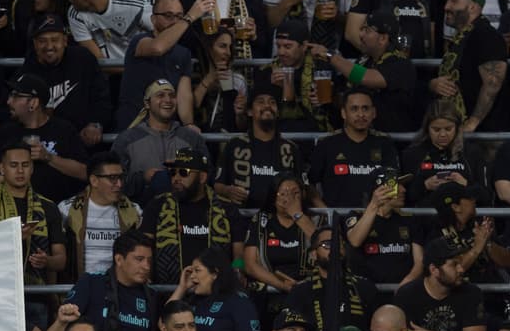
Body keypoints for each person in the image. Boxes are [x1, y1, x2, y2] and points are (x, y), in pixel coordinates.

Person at [138, 148, 242, 285]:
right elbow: (144, 246)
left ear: (202, 177)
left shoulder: (227, 209)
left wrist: (238, 269)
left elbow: (239, 255)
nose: (176, 178)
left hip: (215, 290)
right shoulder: (157, 205)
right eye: (172, 173)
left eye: (184, 172)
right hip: (168, 291)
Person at [0, 143, 66, 285]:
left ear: (32, 168)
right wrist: (12, 239)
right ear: (2, 168)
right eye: (13, 165)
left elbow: (61, 260)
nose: (20, 171)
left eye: (25, 165)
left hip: (37, 291)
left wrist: (47, 261)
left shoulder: (48, 207)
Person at [310, 8, 419, 134]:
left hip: (392, 139)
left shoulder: (400, 63)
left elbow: (365, 78)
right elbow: (349, 97)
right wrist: (331, 95)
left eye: (367, 30)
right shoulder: (364, 60)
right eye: (361, 29)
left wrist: (330, 55)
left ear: (383, 38)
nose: (361, 35)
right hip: (361, 136)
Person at [64, 230, 158, 331]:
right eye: (139, 259)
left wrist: (181, 289)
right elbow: (64, 326)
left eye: (149, 260)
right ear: (119, 259)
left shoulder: (151, 296)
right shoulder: (91, 284)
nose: (146, 266)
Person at [117, 0, 211, 130]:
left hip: (166, 129)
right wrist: (189, 17)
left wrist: (188, 124)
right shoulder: (139, 41)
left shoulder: (183, 53)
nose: (175, 21)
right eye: (168, 15)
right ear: (153, 19)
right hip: (135, 127)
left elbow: (183, 96)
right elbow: (158, 48)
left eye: (179, 16)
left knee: (193, 140)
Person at [429, 0, 510, 134]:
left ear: (472, 7)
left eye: (454, 1)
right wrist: (434, 84)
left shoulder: (486, 35)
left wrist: (473, 122)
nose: (446, 7)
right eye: (447, 1)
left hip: (484, 134)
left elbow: (493, 84)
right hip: (460, 129)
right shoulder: (460, 39)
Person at [0, 72, 87, 203]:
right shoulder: (6, 132)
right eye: (10, 95)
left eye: (15, 96)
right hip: (16, 207)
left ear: (34, 103)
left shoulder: (64, 129)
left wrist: (48, 157)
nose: (8, 101)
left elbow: (84, 172)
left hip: (60, 208)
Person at [18, 13, 112, 147]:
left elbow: (102, 99)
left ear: (65, 41)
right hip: (43, 142)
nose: (49, 46)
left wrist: (96, 124)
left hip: (81, 139)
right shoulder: (28, 70)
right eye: (42, 41)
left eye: (55, 40)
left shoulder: (82, 59)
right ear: (35, 44)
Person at [394, 236, 487, 331]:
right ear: (434, 270)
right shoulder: (407, 295)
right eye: (454, 264)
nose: (461, 269)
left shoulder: (471, 293)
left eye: (460, 263)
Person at [111, 78, 208, 202]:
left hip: (184, 208)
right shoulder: (127, 139)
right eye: (160, 95)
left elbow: (207, 175)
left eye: (172, 95)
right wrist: (143, 178)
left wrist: (184, 170)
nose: (168, 100)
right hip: (140, 209)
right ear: (147, 103)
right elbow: (113, 181)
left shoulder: (192, 137)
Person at [214, 81, 305, 210]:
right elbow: (217, 184)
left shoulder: (291, 148)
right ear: (250, 111)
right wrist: (228, 191)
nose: (267, 105)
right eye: (261, 102)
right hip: (242, 217)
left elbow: (304, 189)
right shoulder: (234, 145)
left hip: (281, 217)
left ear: (278, 112)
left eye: (272, 102)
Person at [285, 227, 378, 331]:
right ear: (313, 254)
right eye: (327, 244)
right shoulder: (300, 292)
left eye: (339, 244)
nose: (335, 248)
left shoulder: (364, 287)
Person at [307, 87, 399, 208]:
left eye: (365, 108)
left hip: (376, 215)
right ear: (343, 113)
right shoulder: (327, 144)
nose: (361, 114)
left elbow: (392, 184)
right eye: (354, 109)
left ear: (374, 112)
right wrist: (326, 212)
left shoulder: (384, 143)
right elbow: (308, 183)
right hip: (337, 218)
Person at [170, 248, 262, 331]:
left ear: (214, 274)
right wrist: (182, 288)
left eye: (197, 270)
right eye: (191, 271)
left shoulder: (238, 301)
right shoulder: (194, 300)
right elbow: (166, 321)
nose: (192, 276)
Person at [59, 153, 142, 277]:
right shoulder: (66, 210)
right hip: (80, 286)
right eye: (112, 178)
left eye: (121, 177)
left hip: (118, 286)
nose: (119, 184)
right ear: (94, 181)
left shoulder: (135, 212)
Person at [344, 167, 423, 288]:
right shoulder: (356, 216)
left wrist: (405, 286)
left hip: (403, 291)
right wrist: (374, 204)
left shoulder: (409, 219)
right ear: (380, 189)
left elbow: (420, 262)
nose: (403, 190)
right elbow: (355, 241)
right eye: (397, 185)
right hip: (367, 292)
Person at [64, 0, 153, 64]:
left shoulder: (136, 5)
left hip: (142, 66)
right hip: (109, 70)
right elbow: (99, 60)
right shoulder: (75, 14)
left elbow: (161, 37)